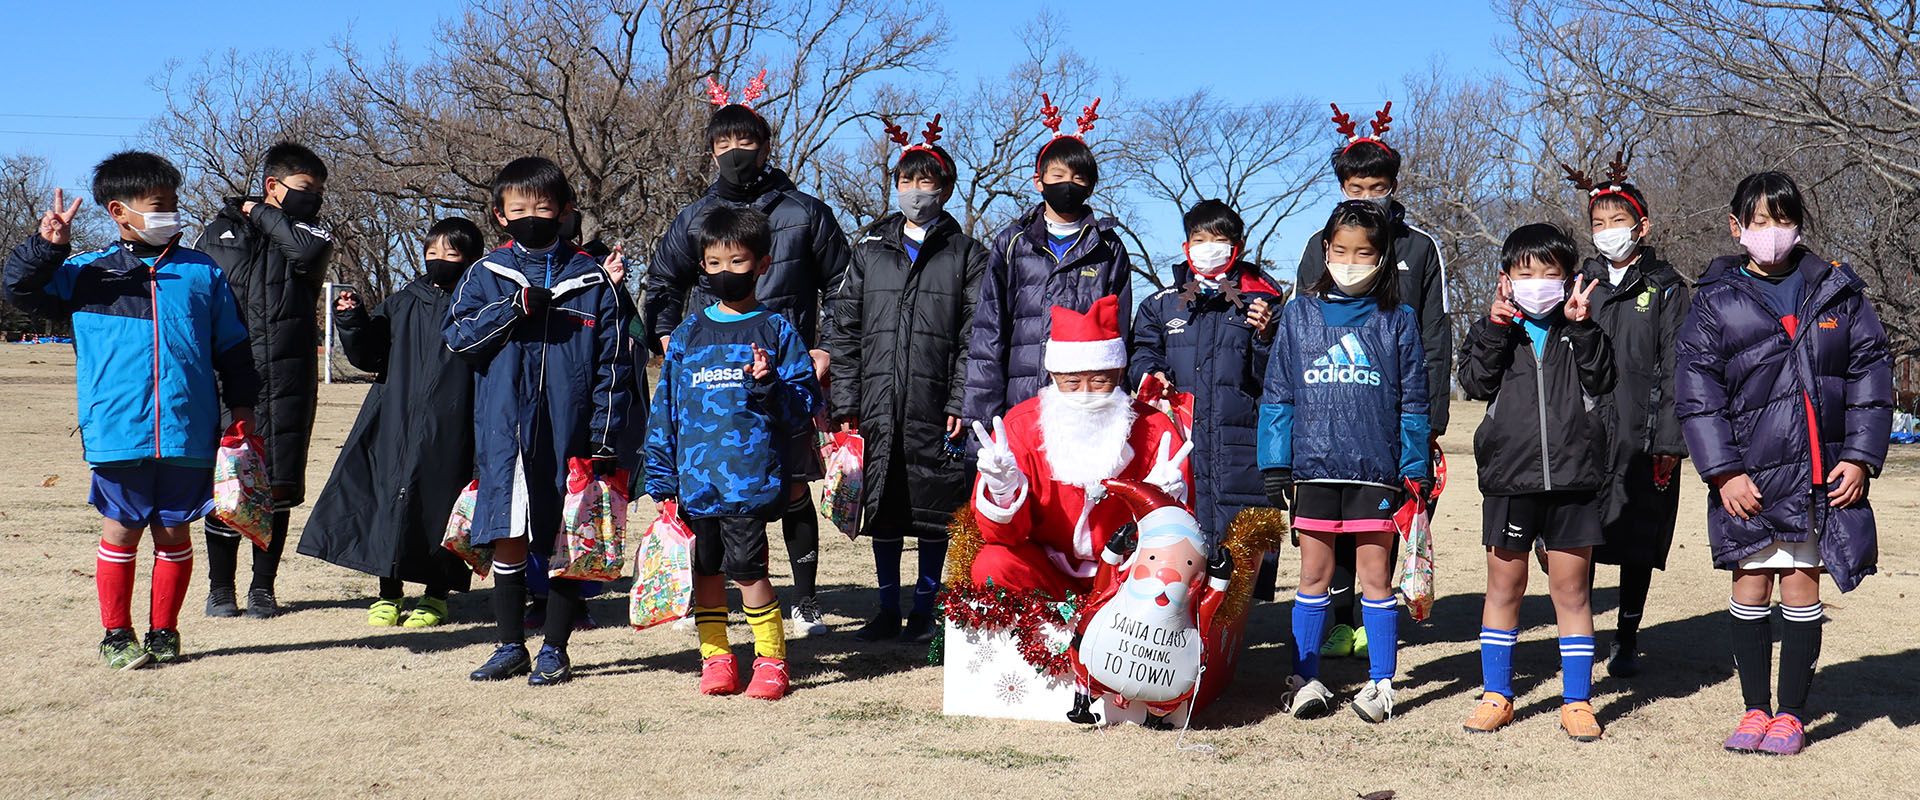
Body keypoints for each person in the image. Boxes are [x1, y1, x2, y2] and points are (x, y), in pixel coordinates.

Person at [3, 152, 259, 668]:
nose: (173, 214)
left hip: (188, 429)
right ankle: (116, 635)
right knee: (121, 528)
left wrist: (242, 407)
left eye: (174, 204)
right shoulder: (82, 272)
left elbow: (232, 346)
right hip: (116, 428)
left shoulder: (201, 271)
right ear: (119, 211)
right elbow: (17, 290)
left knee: (173, 531)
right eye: (159, 205)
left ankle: (164, 631)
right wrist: (44, 249)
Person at [1675, 171, 1891, 756]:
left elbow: (1871, 376)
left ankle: (1792, 714)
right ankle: (1753, 709)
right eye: (1760, 221)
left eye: (1784, 219)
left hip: (1819, 479)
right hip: (1748, 478)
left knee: (1799, 584)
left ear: (1800, 226)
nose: (1773, 232)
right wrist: (1723, 472)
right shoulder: (1715, 299)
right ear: (1736, 227)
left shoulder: (1838, 292)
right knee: (1750, 583)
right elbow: (1698, 395)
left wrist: (1861, 457)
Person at [644, 73, 846, 637]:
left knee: (793, 487)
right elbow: (663, 283)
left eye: (746, 142)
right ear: (711, 152)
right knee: (713, 497)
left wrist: (825, 344)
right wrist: (666, 336)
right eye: (722, 145)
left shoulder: (806, 211)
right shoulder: (694, 218)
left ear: (765, 145)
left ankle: (804, 602)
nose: (735, 153)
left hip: (786, 365)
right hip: (715, 369)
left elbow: (845, 287)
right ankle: (709, 608)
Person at [444, 157, 632, 686]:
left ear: (566, 211)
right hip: (506, 433)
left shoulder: (593, 280)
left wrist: (604, 435)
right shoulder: (485, 275)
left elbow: (614, 365)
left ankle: (555, 647)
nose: (532, 216)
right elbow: (458, 337)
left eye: (544, 207)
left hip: (570, 433)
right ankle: (509, 646)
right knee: (507, 533)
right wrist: (512, 308)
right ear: (500, 216)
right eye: (519, 209)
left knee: (566, 538)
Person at [1284, 104, 1450, 659]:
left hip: (1393, 407)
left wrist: (1430, 423)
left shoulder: (1419, 247)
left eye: (1376, 187)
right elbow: (1304, 328)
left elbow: (1434, 334)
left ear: (1393, 186)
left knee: (1380, 529)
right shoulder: (1318, 242)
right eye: (1355, 187)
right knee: (1325, 534)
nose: (1365, 196)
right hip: (1331, 409)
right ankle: (1335, 621)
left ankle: (1373, 626)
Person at [1258, 200, 1430, 723]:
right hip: (1313, 470)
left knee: (1376, 578)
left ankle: (1381, 684)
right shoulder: (1298, 314)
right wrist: (1275, 464)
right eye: (1341, 250)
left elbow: (1415, 402)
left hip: (1374, 472)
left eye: (1364, 252)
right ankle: (1305, 678)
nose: (1351, 260)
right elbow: (1279, 393)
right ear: (1324, 252)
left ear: (1382, 259)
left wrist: (1414, 469)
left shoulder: (1398, 320)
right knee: (1313, 573)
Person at [646, 205, 823, 700]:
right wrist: (661, 480)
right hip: (693, 481)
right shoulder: (686, 335)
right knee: (705, 570)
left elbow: (804, 407)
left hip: (748, 480)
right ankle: (716, 657)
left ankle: (770, 660)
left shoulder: (776, 332)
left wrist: (771, 385)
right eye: (715, 264)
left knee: (748, 570)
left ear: (762, 264)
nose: (726, 273)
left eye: (738, 262)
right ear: (702, 265)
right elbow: (666, 412)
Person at [823, 117, 985, 643]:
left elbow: (974, 335)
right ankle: (886, 606)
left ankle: (927, 607)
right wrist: (845, 400)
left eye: (927, 181)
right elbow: (844, 329)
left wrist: (961, 397)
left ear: (945, 188)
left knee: (935, 508)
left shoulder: (966, 254)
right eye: (906, 181)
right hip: (875, 402)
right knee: (885, 506)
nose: (916, 191)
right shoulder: (869, 249)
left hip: (936, 402)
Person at [1457, 223, 1614, 742]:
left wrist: (1585, 328)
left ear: (1570, 279)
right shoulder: (1496, 330)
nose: (1539, 282)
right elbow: (1475, 381)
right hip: (1510, 479)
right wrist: (1494, 327)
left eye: (1551, 273)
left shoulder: (1582, 328)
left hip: (1574, 481)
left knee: (1571, 593)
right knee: (1505, 587)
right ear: (1506, 278)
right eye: (1527, 273)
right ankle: (1497, 695)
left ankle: (1577, 701)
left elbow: (1605, 380)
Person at [298, 218, 487, 627]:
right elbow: (368, 356)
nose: (439, 261)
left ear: (471, 260)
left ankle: (436, 595)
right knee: (389, 503)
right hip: (393, 419)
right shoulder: (403, 302)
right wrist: (351, 321)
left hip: (453, 427)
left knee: (442, 509)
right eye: (432, 252)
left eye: (451, 254)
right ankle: (388, 593)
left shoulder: (477, 308)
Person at [1561, 157, 1692, 678]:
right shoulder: (1579, 283)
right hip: (1584, 432)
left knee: (1638, 535)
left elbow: (1677, 366)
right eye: (1598, 223)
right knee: (1578, 536)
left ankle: (1627, 636)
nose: (1608, 232)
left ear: (1642, 227)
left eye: (1618, 221)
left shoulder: (1664, 286)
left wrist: (1668, 441)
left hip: (1642, 433)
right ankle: (1581, 633)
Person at [968, 296, 1190, 599]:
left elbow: (1181, 539)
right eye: (1072, 382)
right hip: (1048, 570)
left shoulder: (1155, 429)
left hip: (1129, 576)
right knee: (993, 564)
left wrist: (1163, 506)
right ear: (1053, 377)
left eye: (1099, 381)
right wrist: (1003, 492)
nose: (1085, 394)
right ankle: (1043, 639)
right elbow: (1004, 537)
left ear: (1120, 376)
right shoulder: (1021, 425)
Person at [194, 141, 334, 619]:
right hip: (228, 379)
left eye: (318, 192)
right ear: (274, 184)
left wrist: (259, 210)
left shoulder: (309, 235)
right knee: (227, 484)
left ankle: (263, 588)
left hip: (288, 379)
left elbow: (303, 249)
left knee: (275, 487)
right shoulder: (216, 234)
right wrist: (249, 213)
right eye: (304, 188)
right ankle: (220, 590)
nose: (313, 199)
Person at [961, 95, 1132, 428]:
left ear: (1091, 186)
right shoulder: (1012, 242)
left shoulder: (1108, 248)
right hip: (1019, 400)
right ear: (1038, 180)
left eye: (1079, 178)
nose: (1068, 184)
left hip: (1086, 405)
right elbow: (988, 332)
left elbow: (1119, 335)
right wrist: (981, 416)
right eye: (1057, 175)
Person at [1128, 199, 1279, 547]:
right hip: (1179, 444)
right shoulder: (1160, 305)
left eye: (1218, 240)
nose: (1207, 248)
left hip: (1240, 447)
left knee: (1239, 561)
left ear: (1236, 248)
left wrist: (1265, 337)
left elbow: (1274, 379)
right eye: (1199, 240)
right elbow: (1142, 352)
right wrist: (1151, 373)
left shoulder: (1263, 305)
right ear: (1186, 246)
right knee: (1178, 557)